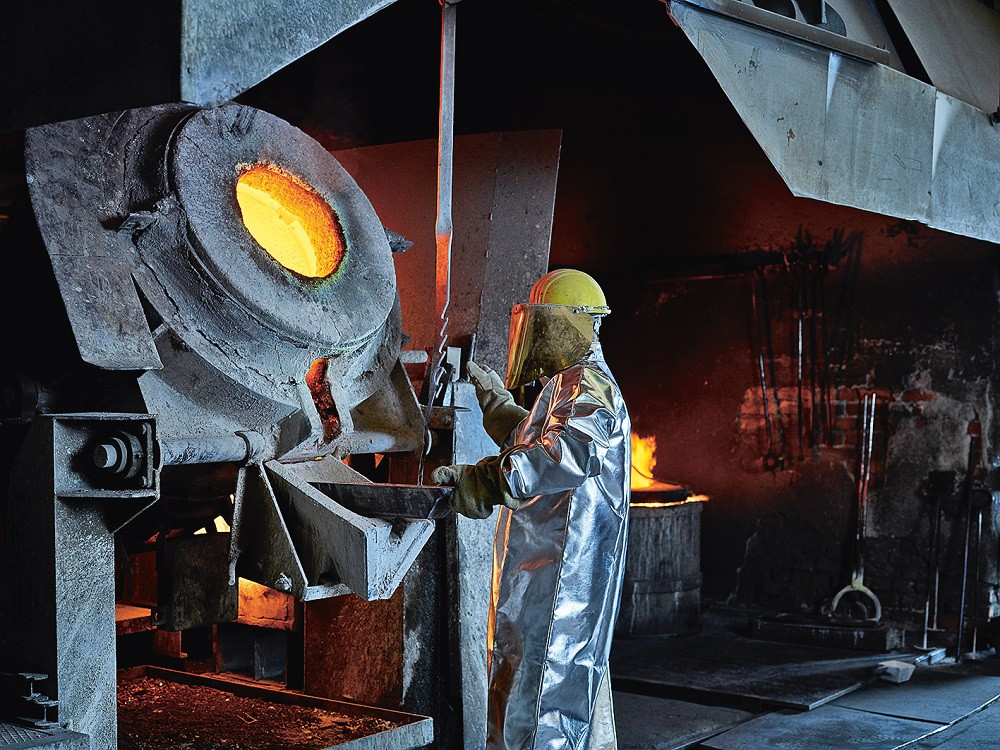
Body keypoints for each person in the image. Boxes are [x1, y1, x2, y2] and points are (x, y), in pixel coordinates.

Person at [433, 269, 631, 750]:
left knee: (542, 703)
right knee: (523, 685)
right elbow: (544, 439)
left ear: (571, 322)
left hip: (561, 575)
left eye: (544, 322)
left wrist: (486, 480)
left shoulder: (590, 386)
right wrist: (500, 408)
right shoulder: (568, 383)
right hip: (541, 567)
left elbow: (564, 454)